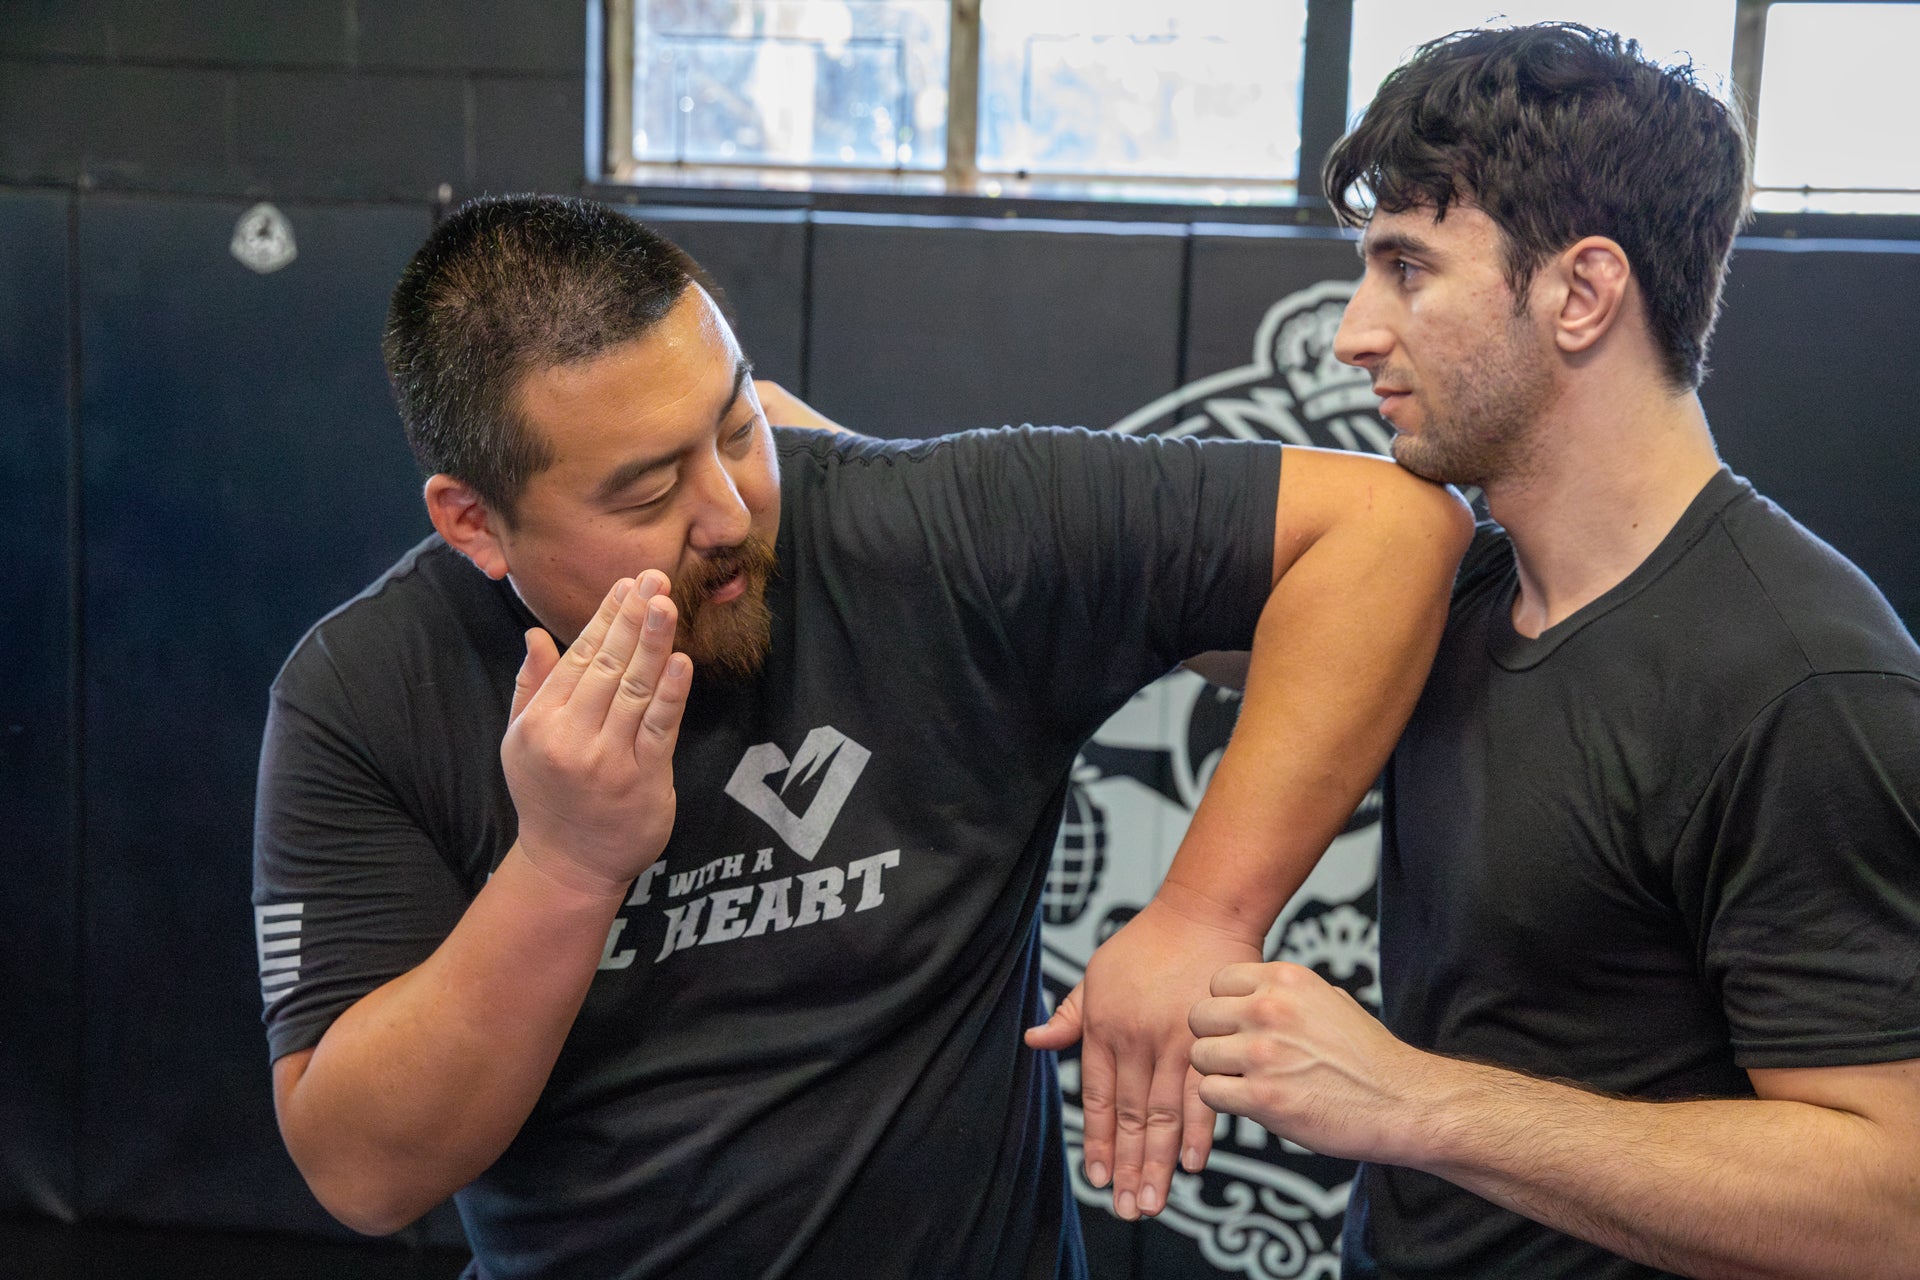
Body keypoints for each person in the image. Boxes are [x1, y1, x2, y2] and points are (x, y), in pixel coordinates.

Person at [252, 194, 1470, 1278]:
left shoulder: (919, 539)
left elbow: (1390, 530)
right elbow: (365, 1172)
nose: (730, 511)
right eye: (644, 491)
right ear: (476, 523)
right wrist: (566, 864)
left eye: (733, 427)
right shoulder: (369, 688)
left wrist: (1203, 911)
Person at [1187, 23, 1920, 1279]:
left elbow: (1893, 1203)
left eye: (1406, 269)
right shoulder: (1454, 587)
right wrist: (797, 461)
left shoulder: (1802, 681)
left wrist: (1413, 1100)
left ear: (1581, 293)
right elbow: (1111, 588)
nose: (1354, 332)